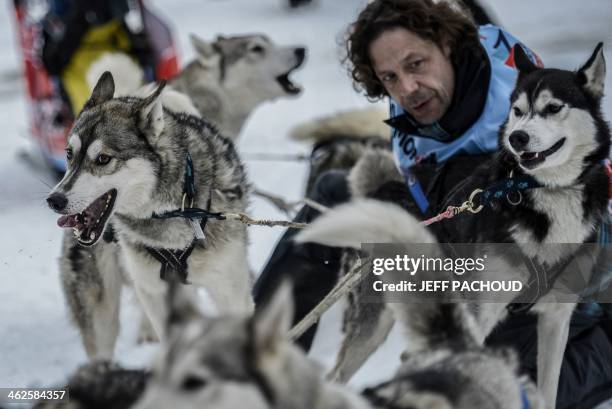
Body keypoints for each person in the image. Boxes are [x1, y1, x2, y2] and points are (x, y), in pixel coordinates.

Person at [253, 0, 612, 407]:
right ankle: (259, 360)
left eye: (416, 64)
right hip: (463, 232)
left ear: (446, 44)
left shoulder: (512, 103)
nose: (406, 88)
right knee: (336, 190)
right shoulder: (421, 98)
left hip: (563, 262)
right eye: (389, 77)